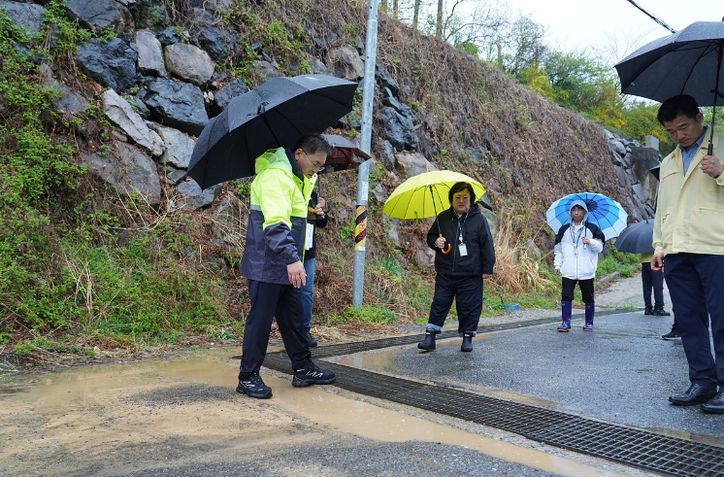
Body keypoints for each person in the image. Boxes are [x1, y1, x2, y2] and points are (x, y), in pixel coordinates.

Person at [236, 135, 336, 399]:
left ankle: (303, 368)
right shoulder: (275, 176)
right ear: (299, 154)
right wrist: (292, 259)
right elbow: (276, 223)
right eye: (316, 164)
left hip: (288, 262)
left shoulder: (298, 178)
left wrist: (312, 213)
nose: (317, 170)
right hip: (267, 263)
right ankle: (247, 377)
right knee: (260, 321)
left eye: (321, 166)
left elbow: (292, 215)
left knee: (293, 320)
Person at [652, 94, 724, 413]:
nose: (679, 135)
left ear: (699, 117)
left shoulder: (721, 144)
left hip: (716, 246)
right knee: (690, 321)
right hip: (677, 250)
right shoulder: (669, 161)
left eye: (683, 127)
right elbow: (662, 207)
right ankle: (703, 381)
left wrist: (721, 171)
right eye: (671, 131)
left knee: (722, 319)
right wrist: (659, 245)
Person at [417, 182, 495, 353]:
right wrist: (435, 242)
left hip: (471, 273)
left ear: (471, 199)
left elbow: (487, 244)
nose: (461, 201)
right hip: (445, 271)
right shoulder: (443, 217)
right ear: (451, 199)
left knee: (469, 306)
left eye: (465, 197)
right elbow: (431, 237)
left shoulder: (479, 220)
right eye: (457, 197)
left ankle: (467, 338)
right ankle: (430, 337)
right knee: (439, 303)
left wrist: (487, 269)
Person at [553, 201, 605, 332]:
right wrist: (557, 265)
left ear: (585, 213)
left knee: (588, 297)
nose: (576, 212)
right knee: (566, 296)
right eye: (574, 210)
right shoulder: (564, 230)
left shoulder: (592, 229)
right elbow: (558, 250)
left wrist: (590, 241)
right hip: (568, 270)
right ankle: (565, 323)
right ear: (570, 212)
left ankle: (589, 323)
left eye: (580, 210)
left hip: (586, 270)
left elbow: (600, 248)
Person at [300, 190, 329, 348]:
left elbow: (322, 223)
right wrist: (309, 211)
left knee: (306, 292)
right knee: (286, 291)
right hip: (290, 248)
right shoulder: (290, 187)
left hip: (309, 250)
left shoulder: (314, 194)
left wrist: (322, 211)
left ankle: (304, 331)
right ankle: (289, 330)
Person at [640, 252, 670, 316]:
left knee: (646, 287)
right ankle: (658, 308)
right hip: (655, 261)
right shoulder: (655, 244)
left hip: (644, 263)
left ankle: (648, 308)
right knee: (658, 286)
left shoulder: (643, 245)